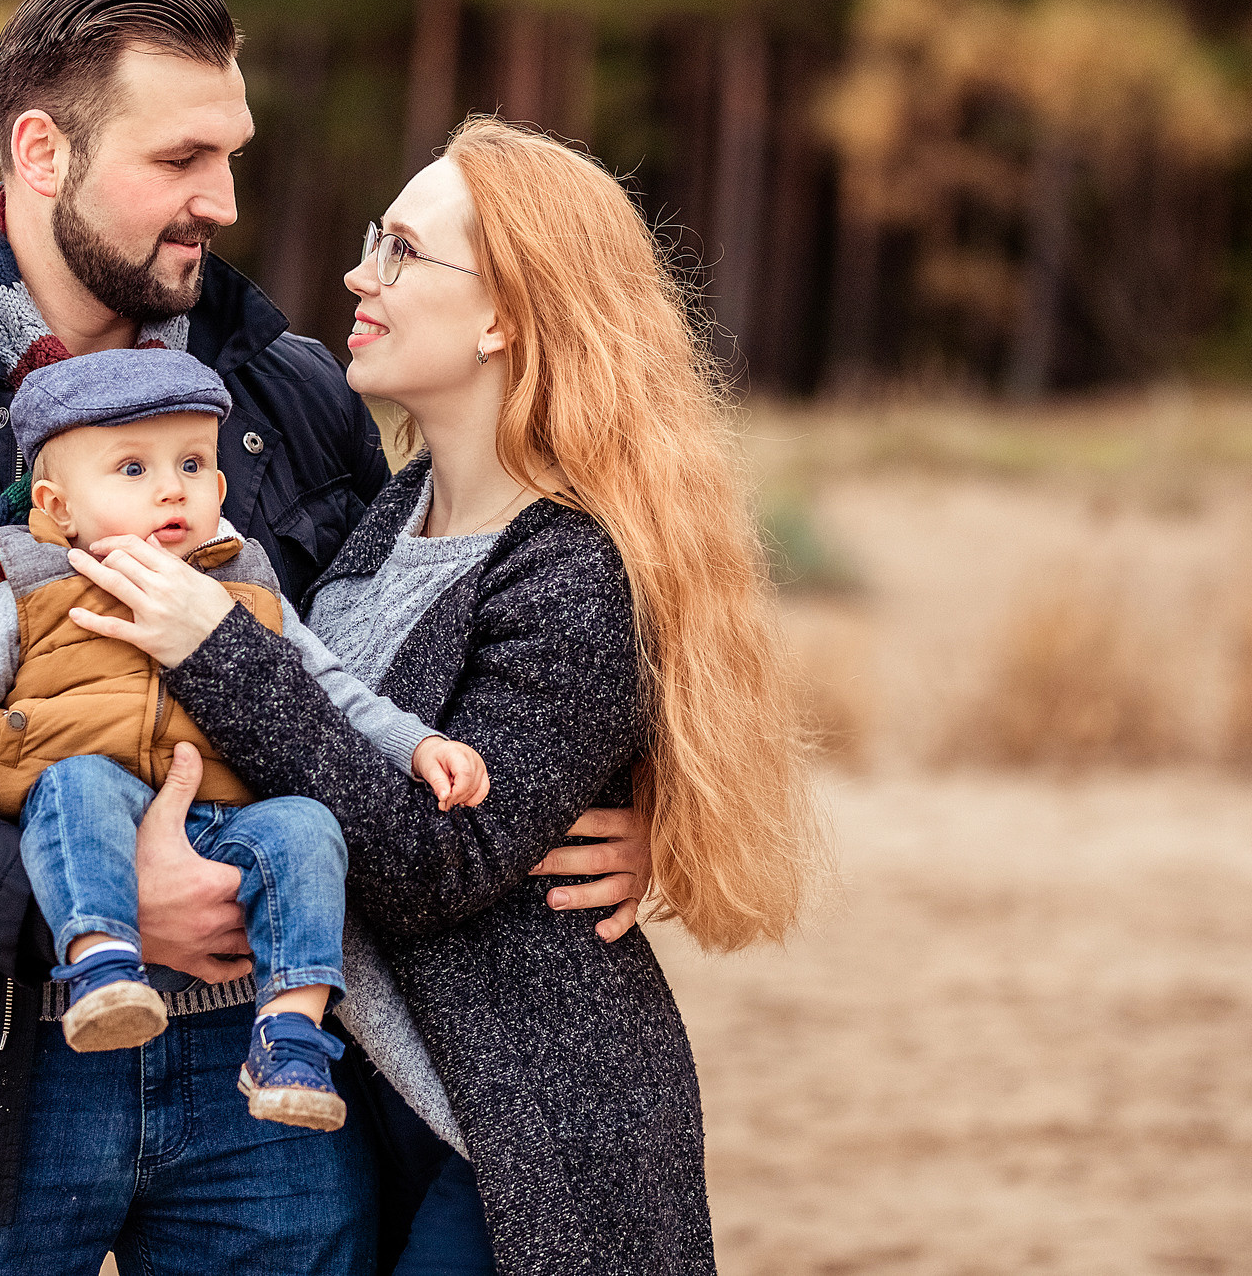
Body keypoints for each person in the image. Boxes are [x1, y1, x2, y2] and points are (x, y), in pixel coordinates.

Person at [0, 0, 650, 1275]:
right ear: (41, 152)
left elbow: (411, 662)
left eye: (231, 154)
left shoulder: (296, 392)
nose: (223, 199)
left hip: (270, 1088)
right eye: (179, 159)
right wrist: (86, 902)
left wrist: (621, 806)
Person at [62, 118, 826, 1276]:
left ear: (502, 314)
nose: (358, 274)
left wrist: (218, 649)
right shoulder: (397, 510)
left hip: (517, 1134)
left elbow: (434, 864)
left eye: (403, 250)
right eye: (374, 239)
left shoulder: (574, 565)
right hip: (375, 1106)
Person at [0, 347, 489, 1131]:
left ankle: (290, 1033)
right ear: (58, 505)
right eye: (132, 468)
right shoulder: (26, 593)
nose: (172, 488)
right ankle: (101, 966)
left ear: (220, 489)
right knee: (76, 783)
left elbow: (331, 688)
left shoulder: (246, 589)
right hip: (94, 815)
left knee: (307, 826)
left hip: (228, 821)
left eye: (193, 464)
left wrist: (415, 744)